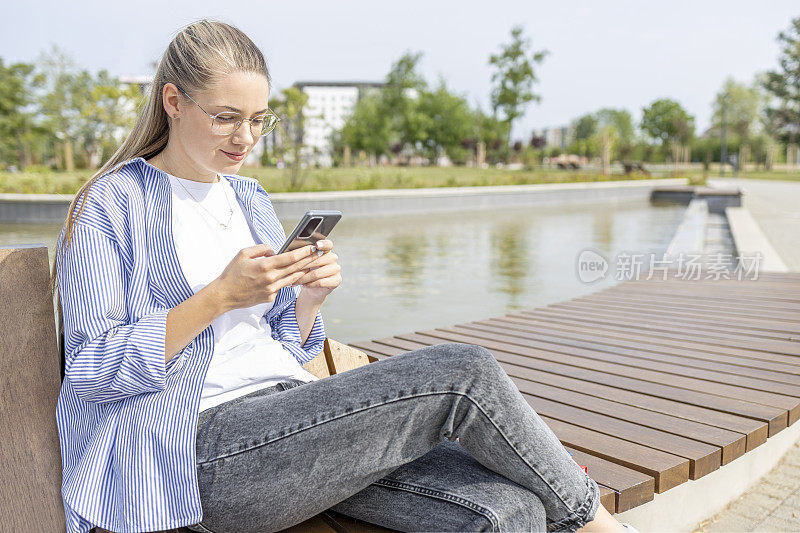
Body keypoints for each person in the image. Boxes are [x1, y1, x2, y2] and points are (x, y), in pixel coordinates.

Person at [51, 18, 637, 533]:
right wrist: (219, 297)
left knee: (505, 512)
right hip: (199, 453)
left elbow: (281, 346)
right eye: (227, 118)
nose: (246, 138)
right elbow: (89, 368)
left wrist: (308, 298)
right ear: (174, 101)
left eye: (259, 120)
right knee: (465, 371)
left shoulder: (248, 198)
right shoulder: (112, 203)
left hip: (295, 420)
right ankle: (602, 527)